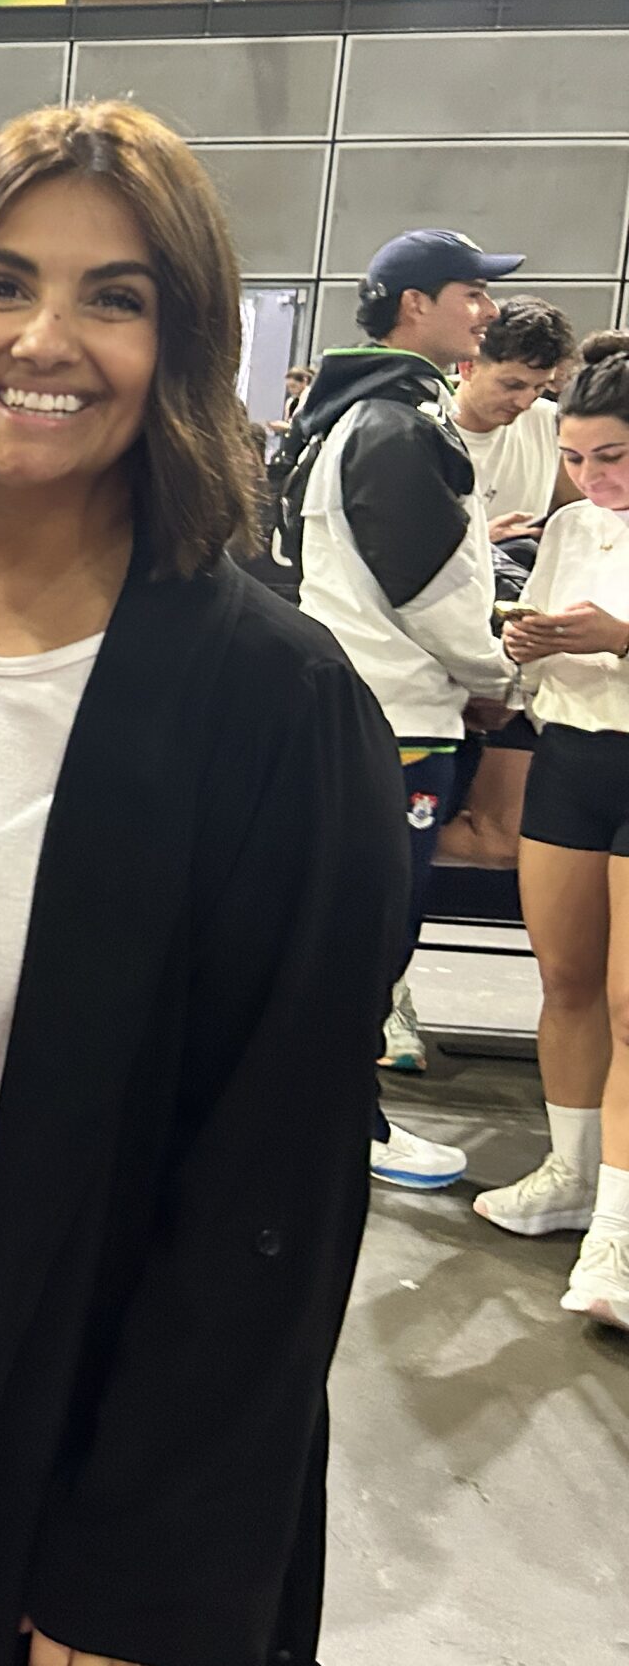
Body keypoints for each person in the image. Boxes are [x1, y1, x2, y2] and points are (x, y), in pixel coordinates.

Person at [0, 100, 404, 1666]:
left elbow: (277, 1193)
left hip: (48, 1452)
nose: (44, 338)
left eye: (113, 297)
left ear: (182, 348)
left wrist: (144, 1573)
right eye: (1, 284)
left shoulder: (274, 705)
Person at [276, 228, 522, 1179]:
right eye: (470, 292)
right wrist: (499, 681)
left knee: (353, 927)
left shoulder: (359, 415)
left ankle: (329, 1114)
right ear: (412, 305)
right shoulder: (393, 424)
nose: (486, 310)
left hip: (370, 710)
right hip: (396, 720)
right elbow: (428, 592)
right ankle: (345, 1125)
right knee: (373, 929)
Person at [474, 352, 629, 1330]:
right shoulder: (571, 525)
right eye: (574, 459)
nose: (590, 479)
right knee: (564, 979)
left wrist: (616, 638)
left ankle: (619, 1229)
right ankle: (569, 1176)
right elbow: (541, 649)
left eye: (610, 458)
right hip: (572, 753)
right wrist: (523, 648)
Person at [431, 295, 579, 881]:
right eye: (513, 383)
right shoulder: (423, 428)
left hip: (511, 653)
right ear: (467, 365)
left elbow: (582, 520)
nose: (524, 402)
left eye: (539, 387)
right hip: (432, 654)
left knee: (501, 840)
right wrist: (473, 543)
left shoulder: (548, 428)